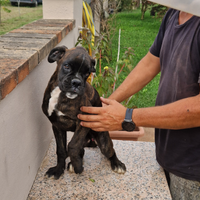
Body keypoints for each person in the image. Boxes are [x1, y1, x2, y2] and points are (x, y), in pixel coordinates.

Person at [78, 8, 200, 199]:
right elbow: (151, 62)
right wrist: (109, 103)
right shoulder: (174, 13)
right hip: (169, 154)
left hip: (194, 170)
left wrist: (128, 117)